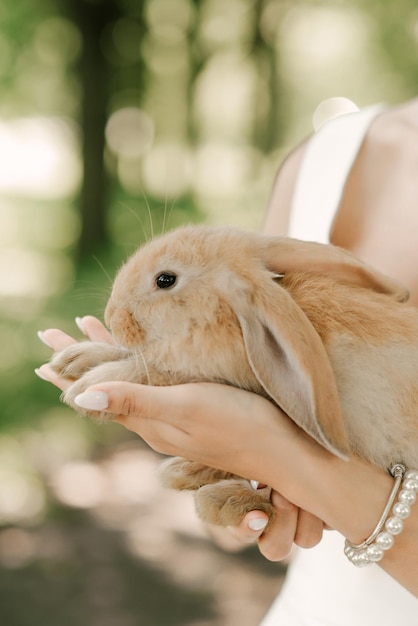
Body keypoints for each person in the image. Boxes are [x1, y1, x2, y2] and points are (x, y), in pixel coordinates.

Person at [36, 97, 418, 620]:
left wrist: (302, 466)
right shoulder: (328, 154)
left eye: (164, 284)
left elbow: (285, 369)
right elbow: (255, 365)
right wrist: (239, 470)